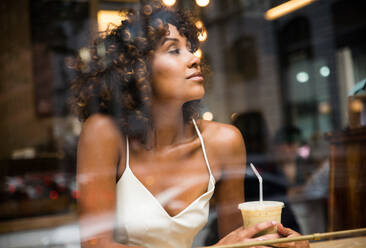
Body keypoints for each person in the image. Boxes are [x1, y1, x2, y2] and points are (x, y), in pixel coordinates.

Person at [70, 1, 309, 247]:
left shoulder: (223, 142)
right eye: (174, 50)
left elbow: (237, 242)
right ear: (137, 69)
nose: (194, 58)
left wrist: (278, 242)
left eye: (190, 48)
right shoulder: (104, 133)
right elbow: (95, 244)